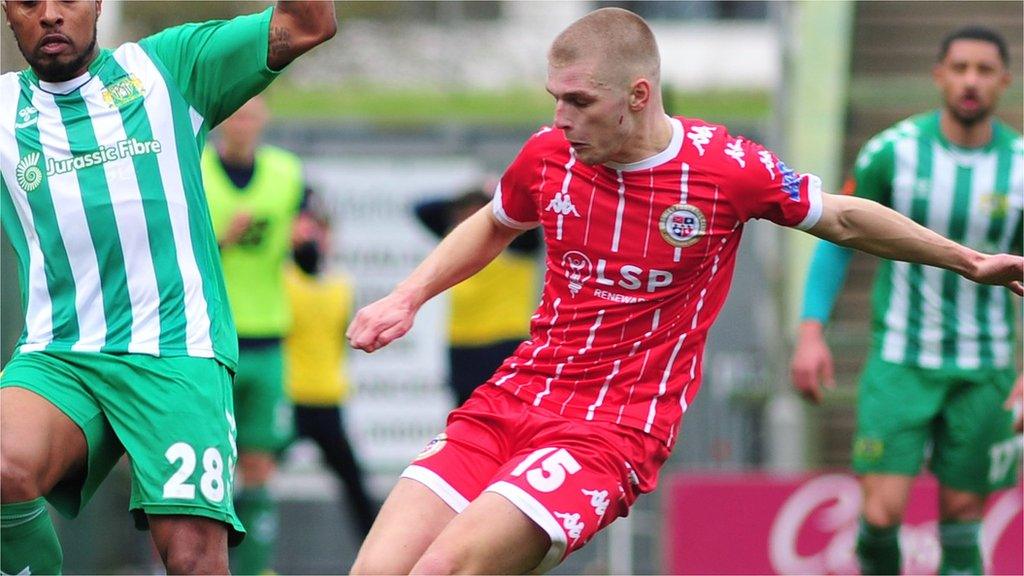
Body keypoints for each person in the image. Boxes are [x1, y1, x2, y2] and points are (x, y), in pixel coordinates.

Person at [346, 8, 1024, 575]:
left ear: (638, 95)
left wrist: (967, 261)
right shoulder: (548, 155)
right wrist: (408, 296)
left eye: (578, 100)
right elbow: (495, 222)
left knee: (441, 570)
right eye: (555, 96)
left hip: (609, 433)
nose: (560, 116)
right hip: (510, 402)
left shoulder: (724, 170)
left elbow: (843, 215)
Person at [0, 1, 335, 573]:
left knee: (191, 558)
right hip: (61, 355)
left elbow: (309, 23)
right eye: (31, 2)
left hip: (177, 353)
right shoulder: (5, 108)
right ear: (8, 11)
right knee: (4, 467)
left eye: (68, 0)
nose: (51, 14)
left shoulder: (166, 68)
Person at [790, 26, 1022, 576]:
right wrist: (811, 330)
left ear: (1004, 82)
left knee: (964, 515)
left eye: (984, 70)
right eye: (960, 68)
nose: (971, 81)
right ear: (938, 75)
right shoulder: (891, 153)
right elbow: (837, 235)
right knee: (879, 512)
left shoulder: (1020, 165)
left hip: (985, 368)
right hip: (900, 359)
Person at [201, 94, 308, 574]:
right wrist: (220, 239)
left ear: (264, 119)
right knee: (209, 466)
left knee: (260, 463)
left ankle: (257, 567)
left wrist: (309, 243)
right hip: (208, 343)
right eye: (236, 115)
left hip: (267, 337)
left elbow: (311, 245)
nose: (243, 124)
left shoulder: (286, 173)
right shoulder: (194, 169)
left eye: (252, 114)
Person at [284, 211, 378, 541]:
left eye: (322, 233)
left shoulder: (342, 285)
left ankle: (380, 558)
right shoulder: (281, 279)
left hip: (327, 399)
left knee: (355, 485)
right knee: (253, 477)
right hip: (288, 400)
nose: (315, 240)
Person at [413, 183, 541, 406]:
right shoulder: (458, 245)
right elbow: (422, 210)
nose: (471, 223)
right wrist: (464, 198)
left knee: (508, 410)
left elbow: (532, 212)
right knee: (464, 413)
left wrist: (498, 194)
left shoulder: (516, 243)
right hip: (462, 343)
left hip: (504, 341)